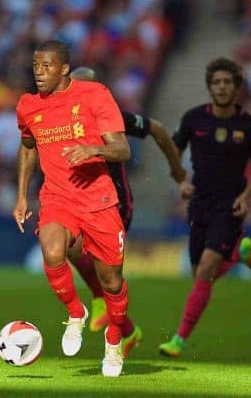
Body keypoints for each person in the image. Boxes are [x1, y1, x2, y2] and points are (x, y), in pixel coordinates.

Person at [14, 41, 132, 377]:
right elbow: (27, 148)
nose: (39, 72)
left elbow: (121, 149)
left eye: (47, 66)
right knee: (52, 251)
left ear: (64, 68)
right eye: (36, 66)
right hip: (57, 198)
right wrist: (22, 195)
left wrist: (93, 149)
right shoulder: (27, 106)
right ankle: (76, 313)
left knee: (111, 282)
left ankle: (113, 342)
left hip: (98, 200)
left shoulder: (95, 95)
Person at [67, 66, 186, 357]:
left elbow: (156, 128)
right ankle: (125, 327)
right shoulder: (63, 118)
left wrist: (176, 168)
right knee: (68, 245)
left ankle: (117, 325)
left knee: (100, 266)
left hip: (116, 204)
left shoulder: (111, 115)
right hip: (82, 202)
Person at [158, 58, 251, 357]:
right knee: (201, 277)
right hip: (199, 204)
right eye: (216, 82)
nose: (221, 87)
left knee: (206, 269)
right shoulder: (194, 119)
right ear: (209, 87)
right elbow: (173, 152)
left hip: (229, 206)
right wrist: (180, 181)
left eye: (227, 82)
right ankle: (238, 254)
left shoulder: (249, 127)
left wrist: (245, 197)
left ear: (236, 87)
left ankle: (178, 340)